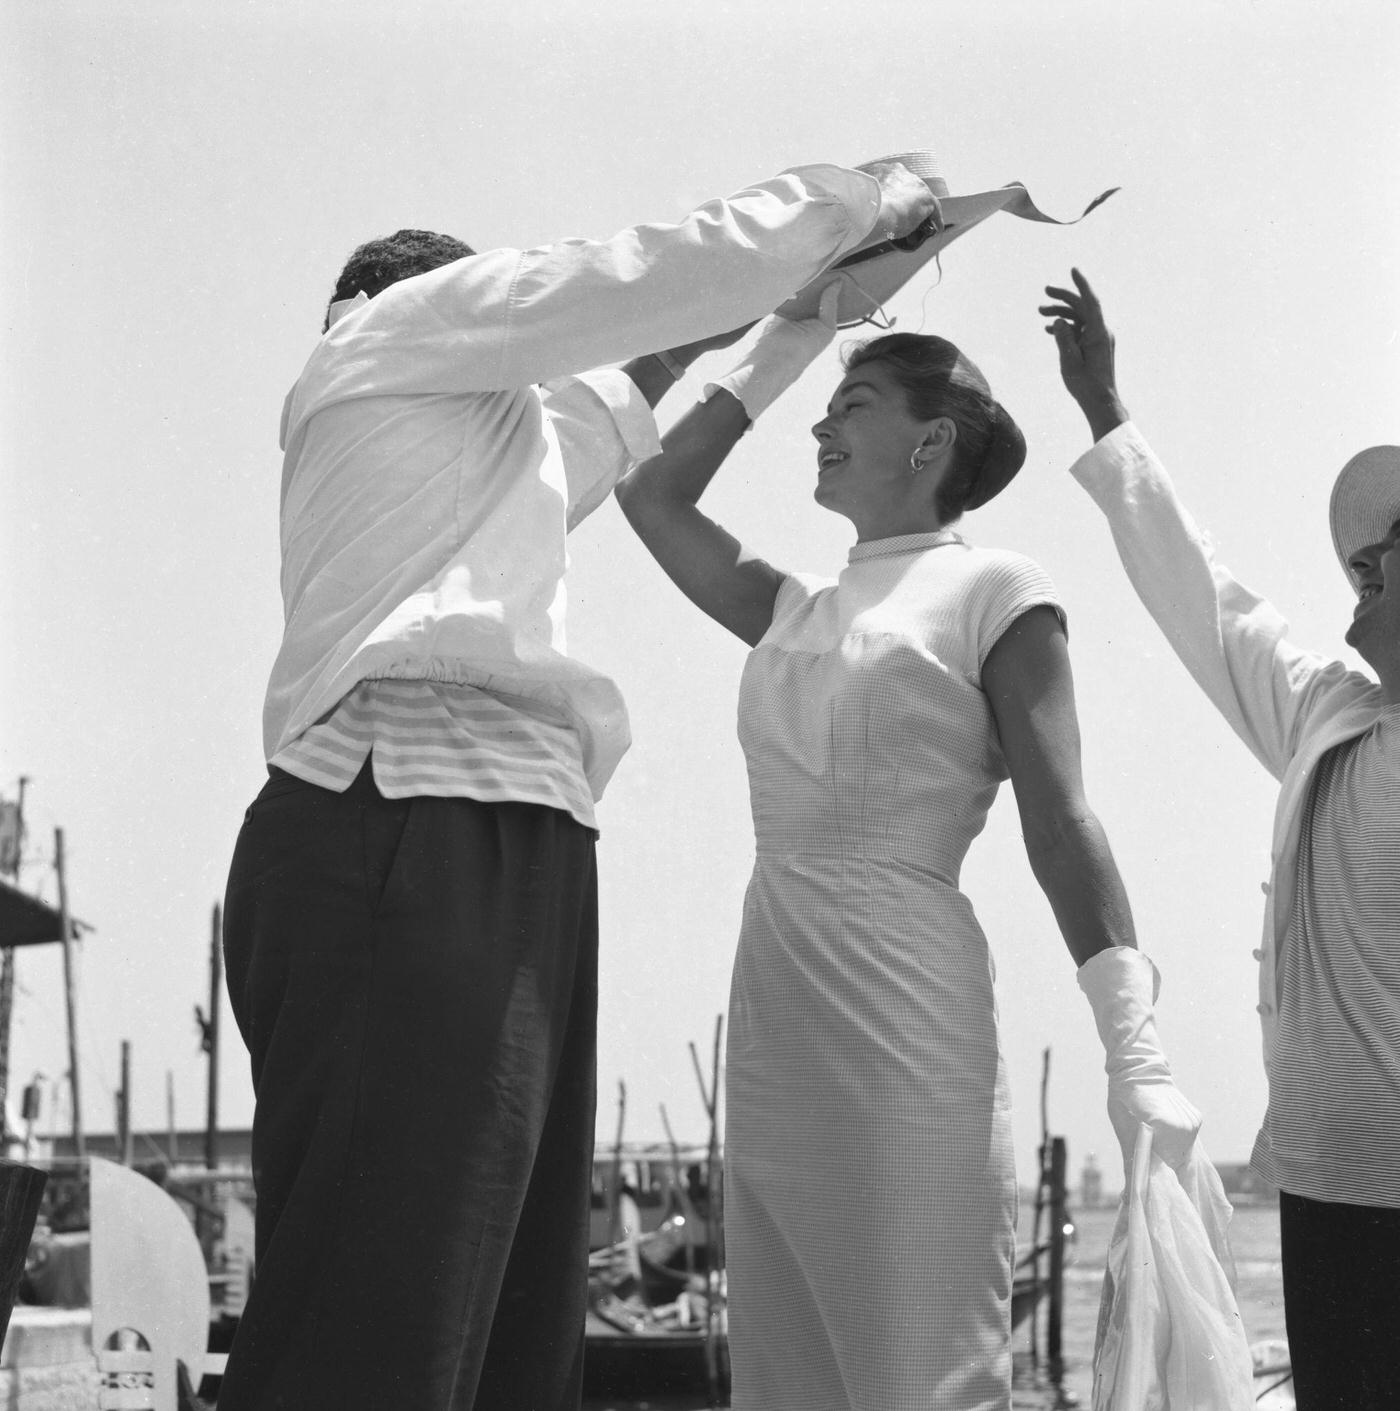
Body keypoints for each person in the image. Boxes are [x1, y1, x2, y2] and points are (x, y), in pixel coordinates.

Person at [218, 160, 943, 1411]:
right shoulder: (391, 333)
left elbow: (639, 378)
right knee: (378, 1307)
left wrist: (805, 314)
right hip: (406, 812)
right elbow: (639, 284)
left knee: (504, 1312)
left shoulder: (480, 441)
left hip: (510, 835)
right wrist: (861, 198)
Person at [614, 293, 1201, 1410]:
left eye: (854, 403)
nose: (819, 426)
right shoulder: (795, 606)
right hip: (778, 1025)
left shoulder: (994, 591)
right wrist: (789, 331)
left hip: (906, 1016)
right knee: (786, 1382)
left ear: (930, 440)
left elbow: (1060, 815)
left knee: (921, 1374)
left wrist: (1133, 1043)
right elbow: (648, 491)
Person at [1042, 268, 1400, 1411]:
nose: (1368, 565)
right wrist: (1106, 412)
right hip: (1325, 1176)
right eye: (1364, 554)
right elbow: (1208, 601)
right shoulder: (1325, 714)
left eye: (1391, 542)